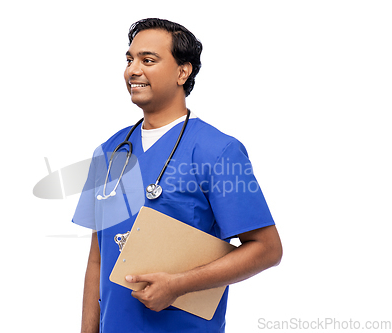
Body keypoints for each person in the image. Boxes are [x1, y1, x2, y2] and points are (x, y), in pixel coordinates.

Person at [72, 18, 283, 333]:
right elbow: (97, 259)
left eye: (148, 60)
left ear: (183, 72)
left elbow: (267, 249)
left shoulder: (218, 151)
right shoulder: (110, 151)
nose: (133, 70)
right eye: (129, 60)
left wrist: (179, 284)